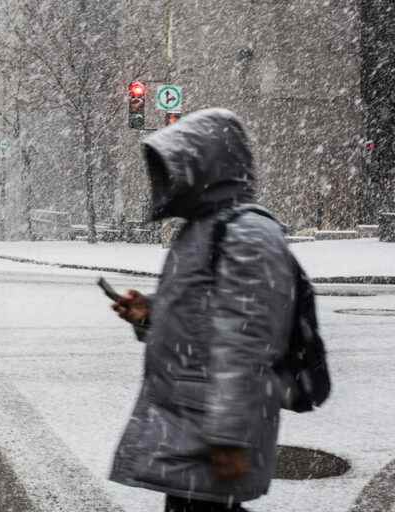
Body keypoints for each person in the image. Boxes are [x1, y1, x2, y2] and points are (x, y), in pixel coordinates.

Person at [108, 109, 296, 512]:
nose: (163, 181)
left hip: (211, 428)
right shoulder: (202, 227)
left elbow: (247, 342)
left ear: (207, 166)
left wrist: (230, 436)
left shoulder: (246, 232)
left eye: (172, 168)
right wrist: (151, 314)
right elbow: (203, 318)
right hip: (190, 421)